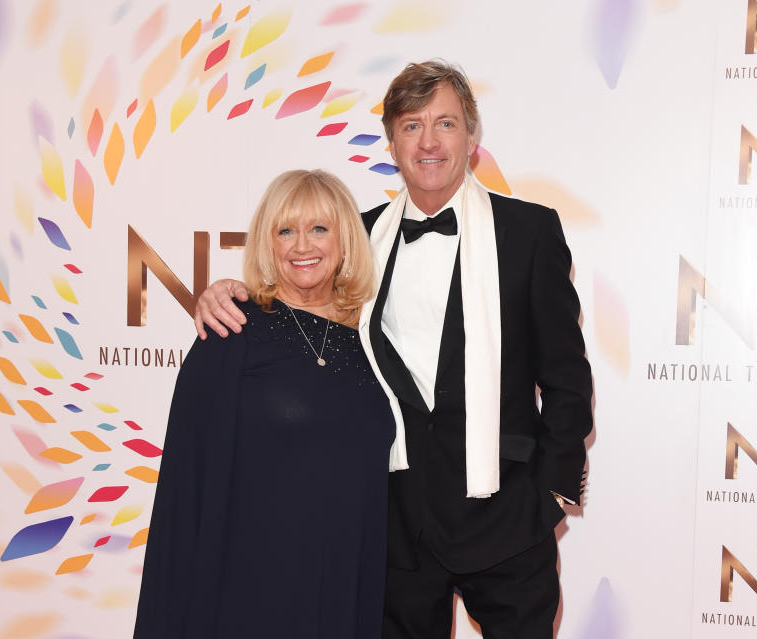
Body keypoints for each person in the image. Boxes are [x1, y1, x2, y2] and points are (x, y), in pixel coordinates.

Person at [194, 61, 593, 639]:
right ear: (391, 141)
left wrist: (552, 490)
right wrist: (229, 291)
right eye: (411, 126)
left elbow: (567, 377)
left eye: (446, 124)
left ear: (471, 138)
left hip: (507, 516)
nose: (428, 142)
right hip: (393, 524)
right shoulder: (358, 237)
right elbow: (298, 300)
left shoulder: (529, 232)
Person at [133, 170, 395, 638]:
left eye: (319, 228)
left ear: (345, 240)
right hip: (252, 589)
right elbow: (184, 487)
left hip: (347, 581)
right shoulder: (233, 331)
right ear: (266, 243)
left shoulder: (375, 337)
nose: (302, 245)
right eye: (285, 230)